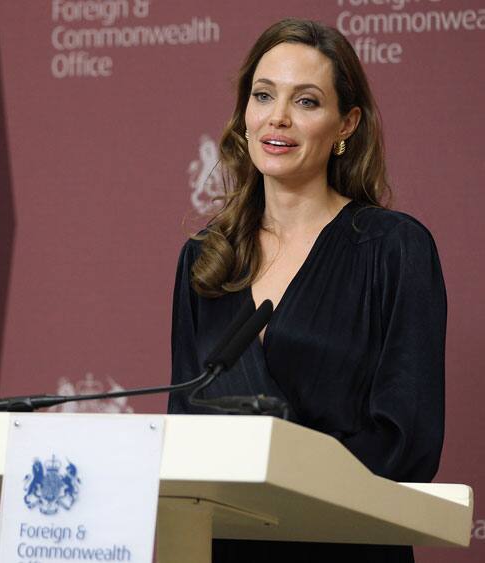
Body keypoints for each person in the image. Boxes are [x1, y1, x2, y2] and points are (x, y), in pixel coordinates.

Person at [168, 17, 446, 563]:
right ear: (244, 114)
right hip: (231, 546)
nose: (278, 118)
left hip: (347, 544)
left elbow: (406, 440)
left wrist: (290, 489)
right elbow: (187, 429)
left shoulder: (392, 249)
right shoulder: (205, 261)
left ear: (346, 123)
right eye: (264, 95)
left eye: (307, 102)